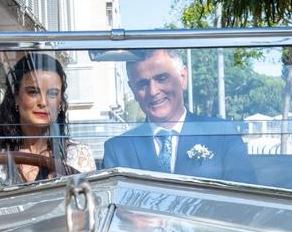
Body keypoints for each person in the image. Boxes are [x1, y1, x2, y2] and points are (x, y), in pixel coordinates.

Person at [99, 49, 254, 183]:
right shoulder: (118, 150)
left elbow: (247, 203)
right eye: (143, 84)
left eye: (161, 78)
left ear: (183, 78)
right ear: (132, 90)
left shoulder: (222, 134)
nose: (153, 91)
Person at [0, 53, 94, 192]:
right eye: (33, 92)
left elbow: (88, 206)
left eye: (53, 94)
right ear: (16, 98)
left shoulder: (78, 155)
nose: (43, 102)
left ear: (60, 102)